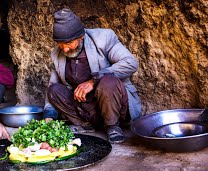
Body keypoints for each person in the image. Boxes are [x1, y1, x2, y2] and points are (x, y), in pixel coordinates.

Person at [43, 8, 142, 144]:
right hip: (86, 110)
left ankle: (112, 126)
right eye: (60, 44)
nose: (64, 49)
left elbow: (130, 63)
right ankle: (84, 125)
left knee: (108, 81)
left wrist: (93, 81)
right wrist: (48, 119)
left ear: (81, 37)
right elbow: (52, 87)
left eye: (68, 43)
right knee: (54, 90)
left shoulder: (103, 39)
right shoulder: (56, 54)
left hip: (112, 105)